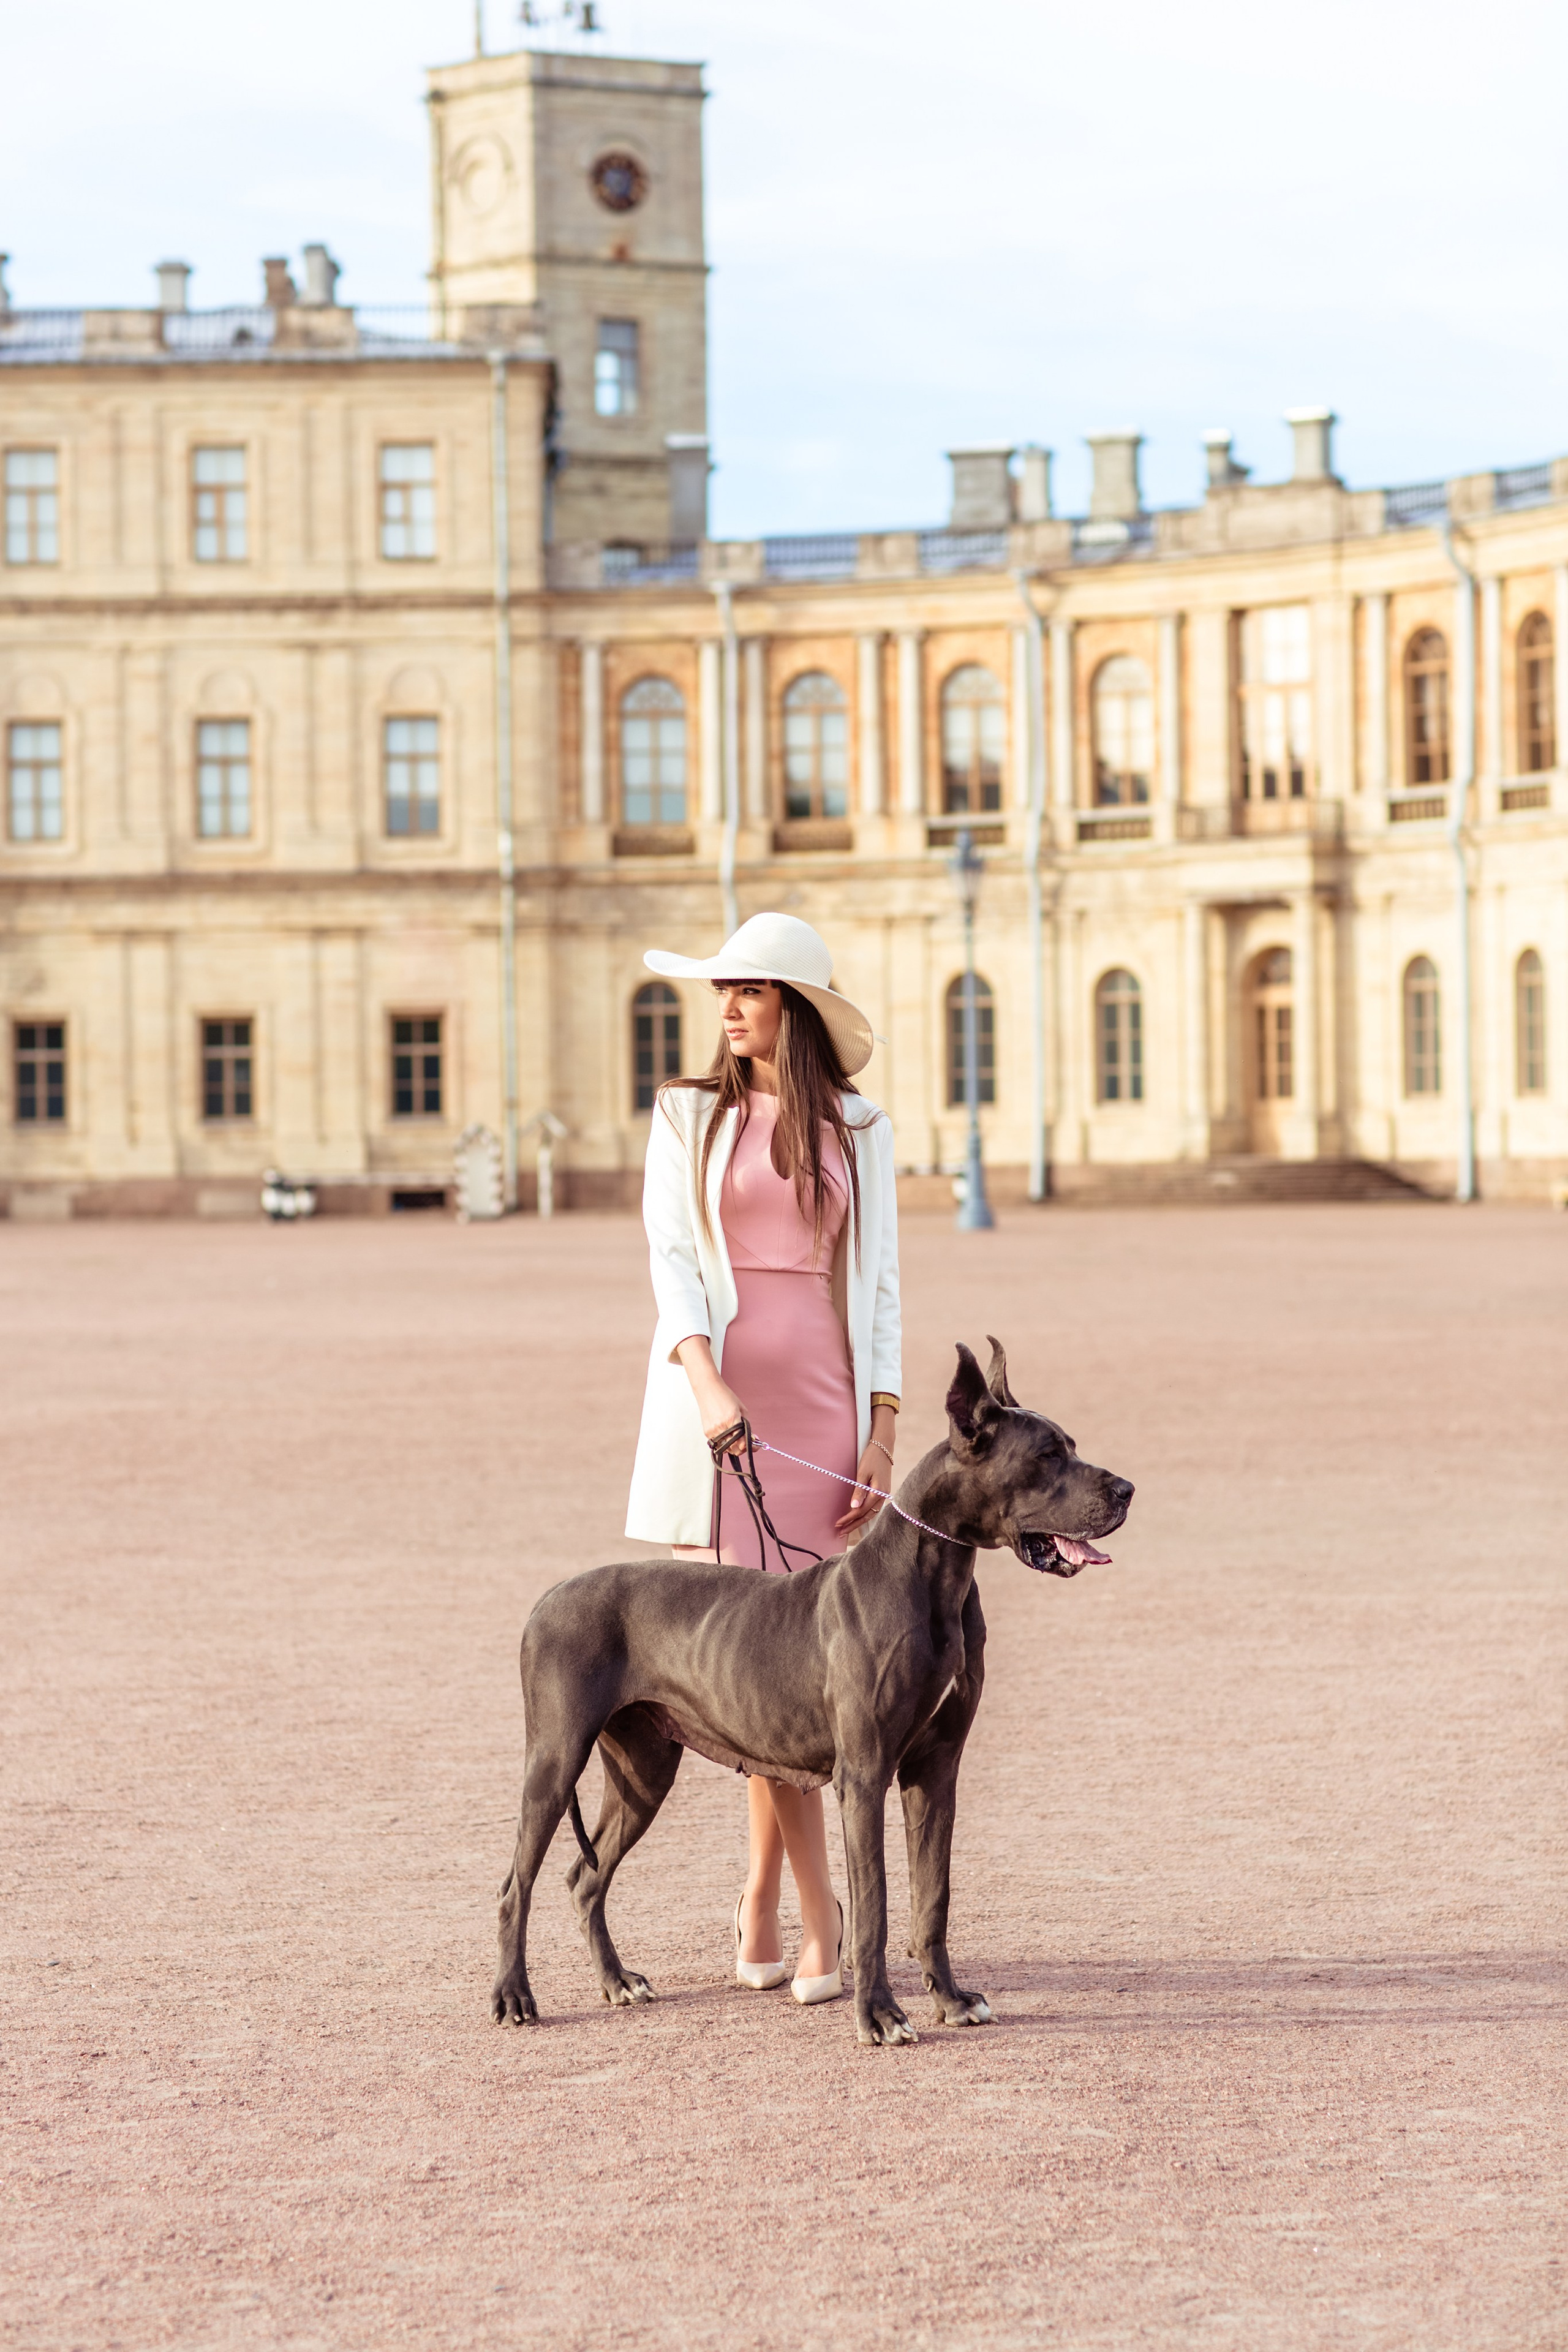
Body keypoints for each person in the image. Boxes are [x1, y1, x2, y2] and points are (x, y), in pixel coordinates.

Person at [625, 913, 902, 2006]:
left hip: (829, 1405)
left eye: (746, 990)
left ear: (793, 1004)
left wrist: (883, 1429)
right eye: (720, 991)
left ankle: (757, 1900)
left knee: (814, 1665)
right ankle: (818, 1920)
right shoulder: (687, 1114)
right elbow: (671, 1259)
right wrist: (705, 1381)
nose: (726, 1008)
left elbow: (878, 1285)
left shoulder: (863, 1128)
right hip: (725, 1402)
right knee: (760, 1667)